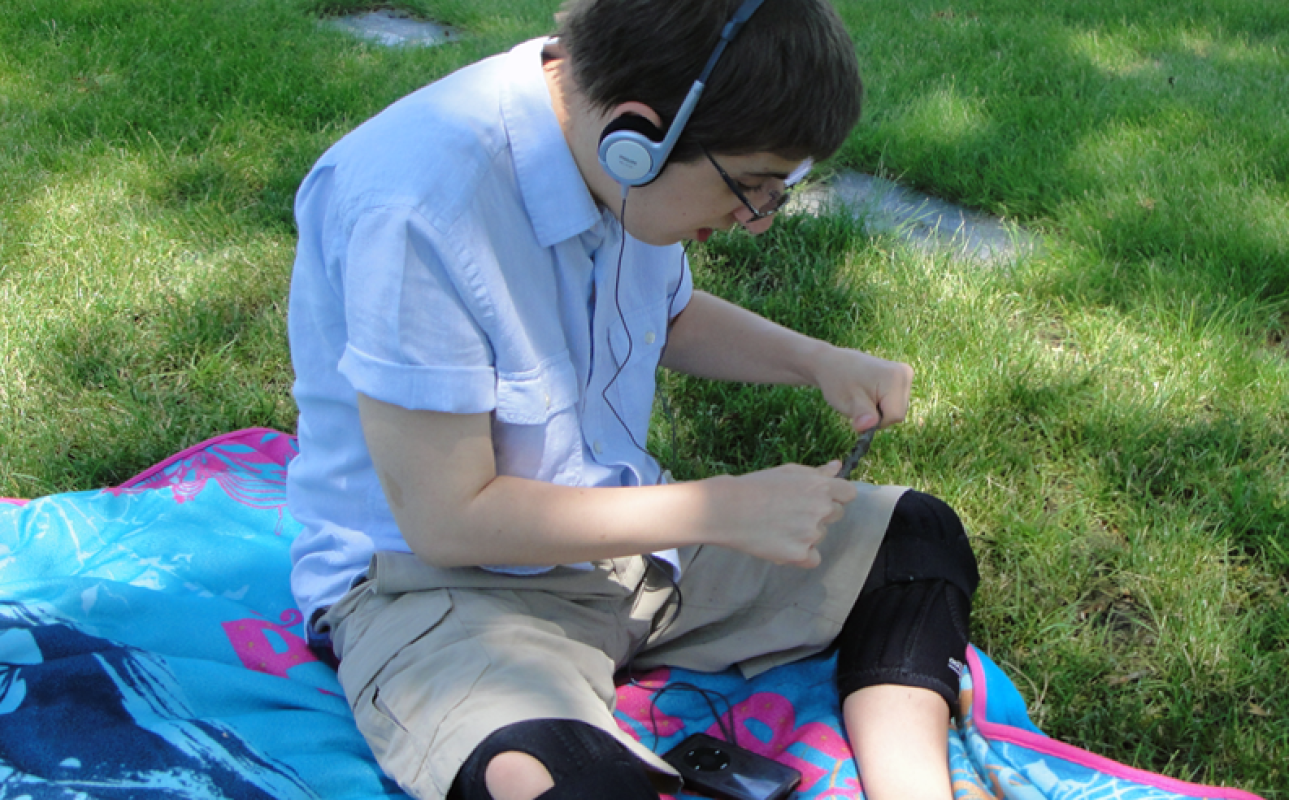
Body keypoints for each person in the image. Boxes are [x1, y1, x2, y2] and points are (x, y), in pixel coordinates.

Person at [284, 0, 980, 798]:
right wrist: (718, 509)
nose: (756, 221)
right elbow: (448, 520)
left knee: (912, 536)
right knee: (560, 783)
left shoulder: (607, 148)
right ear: (637, 134)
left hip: (626, 541)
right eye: (752, 187)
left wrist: (816, 360)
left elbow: (667, 313)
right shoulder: (415, 206)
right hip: (434, 588)